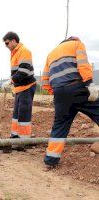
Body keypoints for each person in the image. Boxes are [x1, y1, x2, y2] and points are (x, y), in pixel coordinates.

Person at [41, 36, 99, 170]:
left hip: (60, 93)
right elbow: (83, 65)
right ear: (73, 39)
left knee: (60, 126)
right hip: (78, 88)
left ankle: (50, 162)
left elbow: (44, 81)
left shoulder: (51, 54)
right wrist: (90, 84)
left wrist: (56, 92)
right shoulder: (77, 44)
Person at [1, 31, 36, 140]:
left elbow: (23, 71)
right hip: (19, 88)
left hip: (27, 87)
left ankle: (23, 140)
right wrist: (13, 85)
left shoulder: (24, 51)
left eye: (7, 43)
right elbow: (16, 73)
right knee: (16, 114)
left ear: (13, 41)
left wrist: (10, 81)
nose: (6, 46)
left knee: (24, 114)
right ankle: (15, 136)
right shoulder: (15, 53)